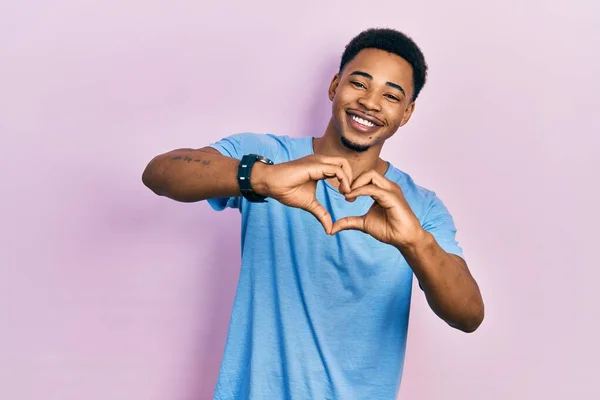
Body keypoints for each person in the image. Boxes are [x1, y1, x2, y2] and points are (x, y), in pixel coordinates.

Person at [142, 27, 484, 400]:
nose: (371, 103)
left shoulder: (421, 206)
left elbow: (468, 315)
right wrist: (263, 178)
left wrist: (415, 242)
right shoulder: (266, 154)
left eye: (391, 95)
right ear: (334, 86)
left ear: (406, 113)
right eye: (359, 83)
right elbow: (160, 173)